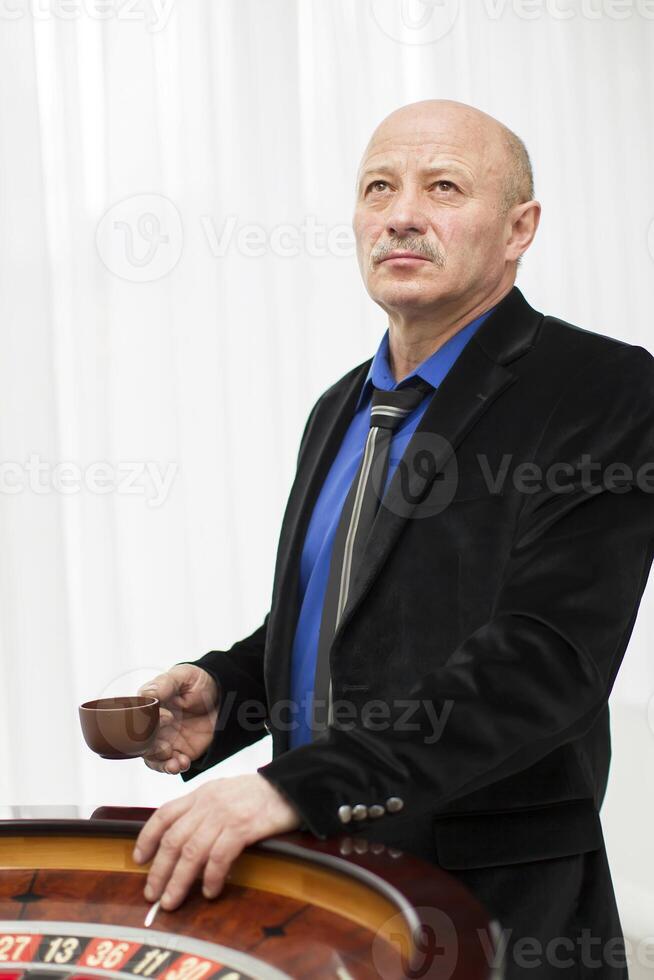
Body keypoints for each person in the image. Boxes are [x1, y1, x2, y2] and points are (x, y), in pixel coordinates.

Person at [132, 99, 654, 979]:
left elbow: (545, 662)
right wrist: (230, 690)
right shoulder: (338, 408)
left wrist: (298, 788)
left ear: (519, 227)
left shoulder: (603, 389)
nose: (402, 213)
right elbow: (348, 615)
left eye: (443, 186)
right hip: (321, 896)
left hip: (495, 916)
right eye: (380, 187)